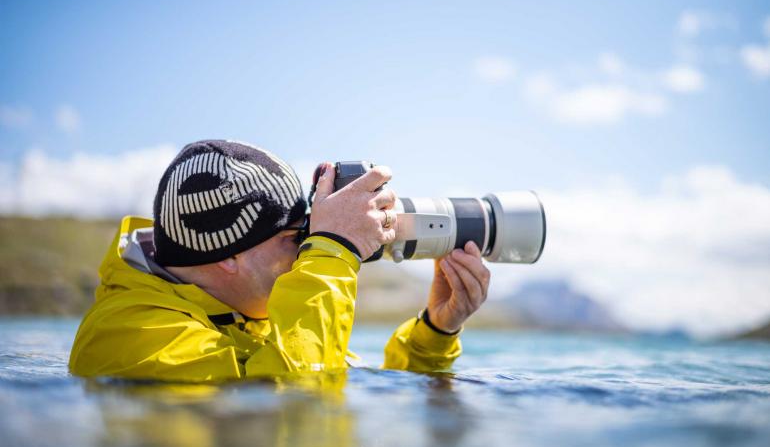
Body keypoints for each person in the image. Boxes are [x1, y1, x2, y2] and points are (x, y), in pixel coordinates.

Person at [69, 140, 490, 381]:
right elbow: (302, 398)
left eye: (310, 236)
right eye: (296, 238)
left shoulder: (249, 317)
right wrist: (334, 248)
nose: (305, 252)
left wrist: (436, 330)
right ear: (230, 255)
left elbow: (359, 385)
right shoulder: (129, 334)